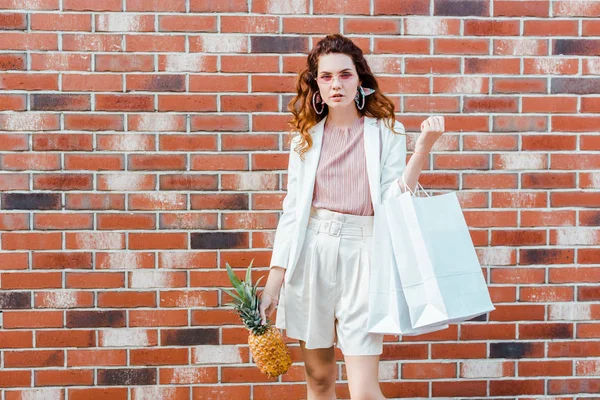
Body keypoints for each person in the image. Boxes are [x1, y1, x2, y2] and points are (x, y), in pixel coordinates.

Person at [259, 34, 445, 400]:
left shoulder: (387, 131)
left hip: (365, 254)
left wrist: (421, 151)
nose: (336, 85)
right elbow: (293, 212)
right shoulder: (304, 139)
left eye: (344, 75)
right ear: (316, 84)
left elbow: (394, 198)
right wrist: (273, 284)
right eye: (326, 77)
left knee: (363, 389)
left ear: (360, 79)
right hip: (311, 254)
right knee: (320, 381)